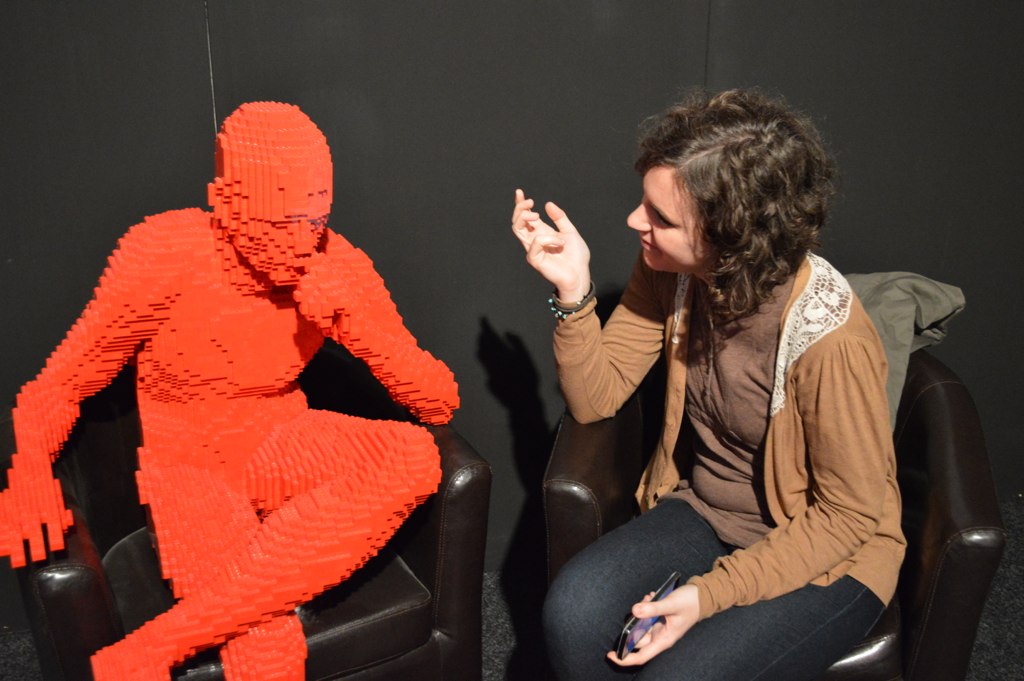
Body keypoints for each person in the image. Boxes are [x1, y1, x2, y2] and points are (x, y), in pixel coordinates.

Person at [0, 101, 458, 680]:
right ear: (224, 203)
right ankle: (251, 599)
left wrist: (358, 330)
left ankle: (162, 643)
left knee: (414, 457)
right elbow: (62, 383)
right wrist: (30, 470)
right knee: (266, 649)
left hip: (282, 439)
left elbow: (438, 401)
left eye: (314, 222)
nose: (301, 244)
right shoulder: (163, 253)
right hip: (189, 465)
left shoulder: (336, 263)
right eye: (279, 224)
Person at [511, 88, 905, 680]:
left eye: (662, 218)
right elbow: (596, 399)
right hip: (709, 510)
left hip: (828, 549)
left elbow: (848, 517)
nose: (634, 222)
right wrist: (574, 292)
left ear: (732, 238)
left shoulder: (832, 340)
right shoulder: (671, 272)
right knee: (573, 612)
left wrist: (711, 594)